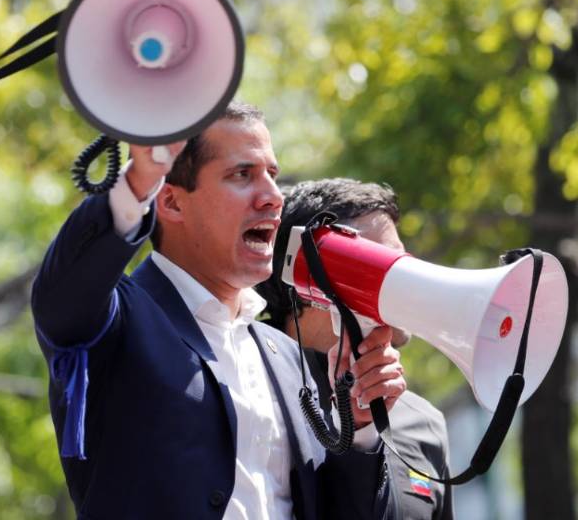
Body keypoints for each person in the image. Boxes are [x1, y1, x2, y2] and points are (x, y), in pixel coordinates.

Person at [31, 102, 406, 519]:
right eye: (242, 175)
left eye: (272, 174)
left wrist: (359, 427)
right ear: (171, 202)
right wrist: (137, 181)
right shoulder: (116, 321)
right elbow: (62, 292)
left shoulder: (285, 356)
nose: (273, 197)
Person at [256, 178, 454, 520]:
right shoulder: (247, 389)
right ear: (307, 275)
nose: (407, 278)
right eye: (381, 264)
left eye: (402, 260)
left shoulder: (423, 423)